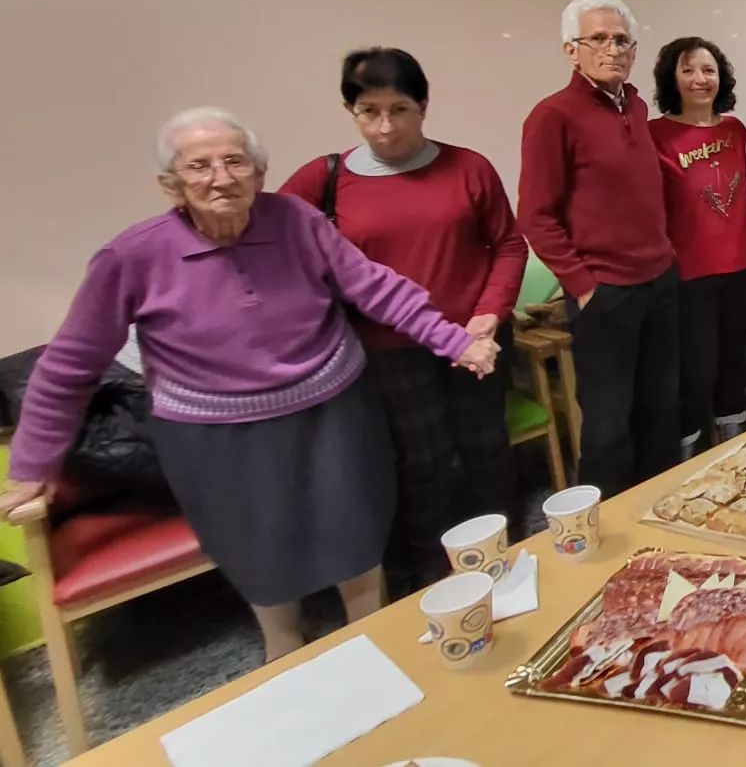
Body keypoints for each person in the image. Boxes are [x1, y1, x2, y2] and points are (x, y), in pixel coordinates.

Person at [1, 109, 498, 663]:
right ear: (171, 183)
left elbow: (375, 287)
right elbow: (71, 363)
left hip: (332, 408)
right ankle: (283, 648)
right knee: (258, 548)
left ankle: (376, 633)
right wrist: (30, 467)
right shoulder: (133, 256)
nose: (221, 177)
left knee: (356, 526)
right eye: (200, 166)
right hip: (215, 437)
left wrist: (451, 339)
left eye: (235, 161)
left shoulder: (296, 220)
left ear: (260, 172)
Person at [277, 49, 527, 594]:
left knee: (487, 451)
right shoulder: (326, 179)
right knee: (422, 465)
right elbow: (272, 237)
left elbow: (507, 244)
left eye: (400, 109)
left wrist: (488, 314)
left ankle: (504, 562)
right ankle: (432, 579)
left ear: (424, 106)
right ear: (351, 110)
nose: (385, 126)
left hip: (474, 337)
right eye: (369, 111)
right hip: (389, 352)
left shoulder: (468, 168)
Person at [519, 0, 680, 494]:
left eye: (621, 40)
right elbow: (536, 215)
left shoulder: (634, 103)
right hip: (604, 291)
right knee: (609, 425)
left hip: (659, 279)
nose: (612, 49)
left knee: (661, 411)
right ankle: (608, 533)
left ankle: (660, 518)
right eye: (599, 39)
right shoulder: (552, 116)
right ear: (572, 49)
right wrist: (582, 284)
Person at [649, 37, 746, 456]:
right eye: (689, 70)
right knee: (696, 369)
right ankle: (687, 452)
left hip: (742, 266)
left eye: (708, 70)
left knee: (733, 358)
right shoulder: (655, 135)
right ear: (671, 78)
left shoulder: (737, 130)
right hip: (688, 273)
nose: (700, 79)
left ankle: (735, 441)